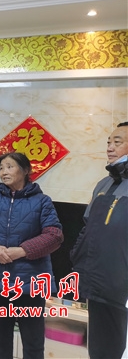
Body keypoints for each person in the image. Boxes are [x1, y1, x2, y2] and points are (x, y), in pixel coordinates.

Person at [0, 152, 63, 359]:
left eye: (10, 167)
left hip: (30, 283)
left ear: (26, 170)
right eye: (1, 168)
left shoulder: (42, 201)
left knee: (33, 341)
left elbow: (54, 235)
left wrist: (22, 251)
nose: (4, 172)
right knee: (0, 338)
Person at [71, 122, 128, 359]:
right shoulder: (104, 184)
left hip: (120, 288)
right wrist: (77, 257)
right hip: (96, 282)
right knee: (98, 350)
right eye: (109, 142)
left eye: (118, 142)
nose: (110, 147)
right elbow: (87, 227)